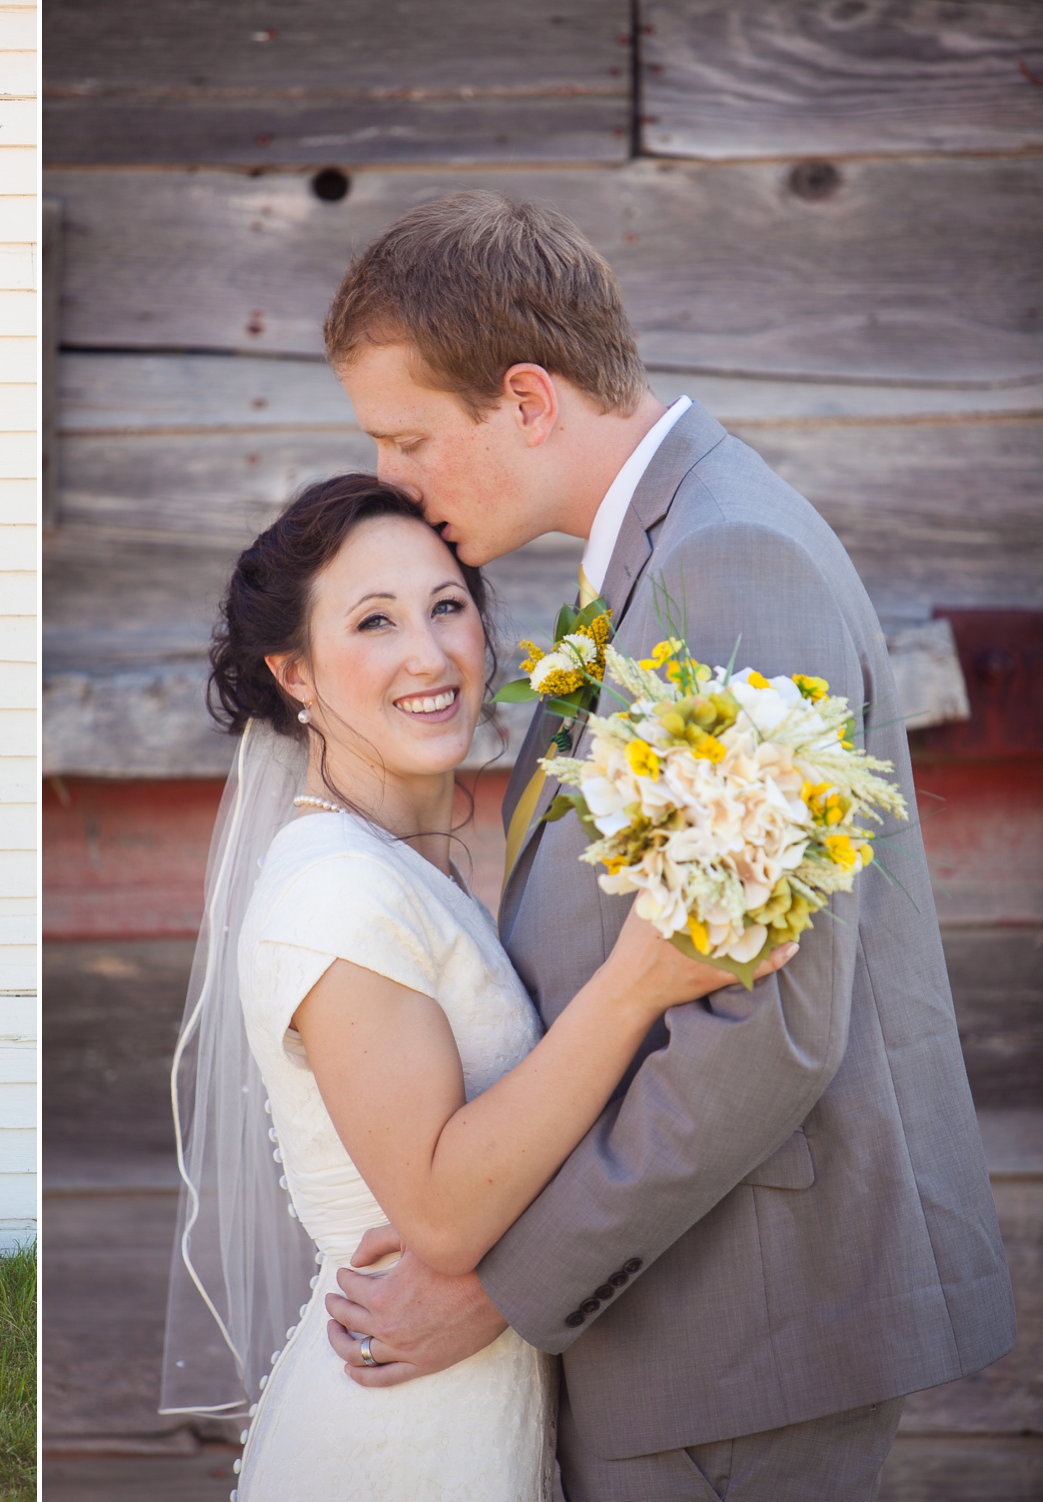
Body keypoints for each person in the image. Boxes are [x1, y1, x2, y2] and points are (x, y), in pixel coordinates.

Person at [314, 192, 1013, 1499]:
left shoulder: (727, 556)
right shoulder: (649, 553)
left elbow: (766, 1015)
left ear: (526, 399)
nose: (392, 483)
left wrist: (506, 1286)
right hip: (698, 1325)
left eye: (407, 438)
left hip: (736, 1326)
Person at [167, 473, 794, 1498]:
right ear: (296, 672)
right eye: (373, 620)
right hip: (407, 1435)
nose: (430, 653)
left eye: (446, 604)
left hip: (482, 1398)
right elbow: (445, 1215)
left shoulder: (411, 864)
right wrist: (637, 979)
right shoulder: (335, 892)